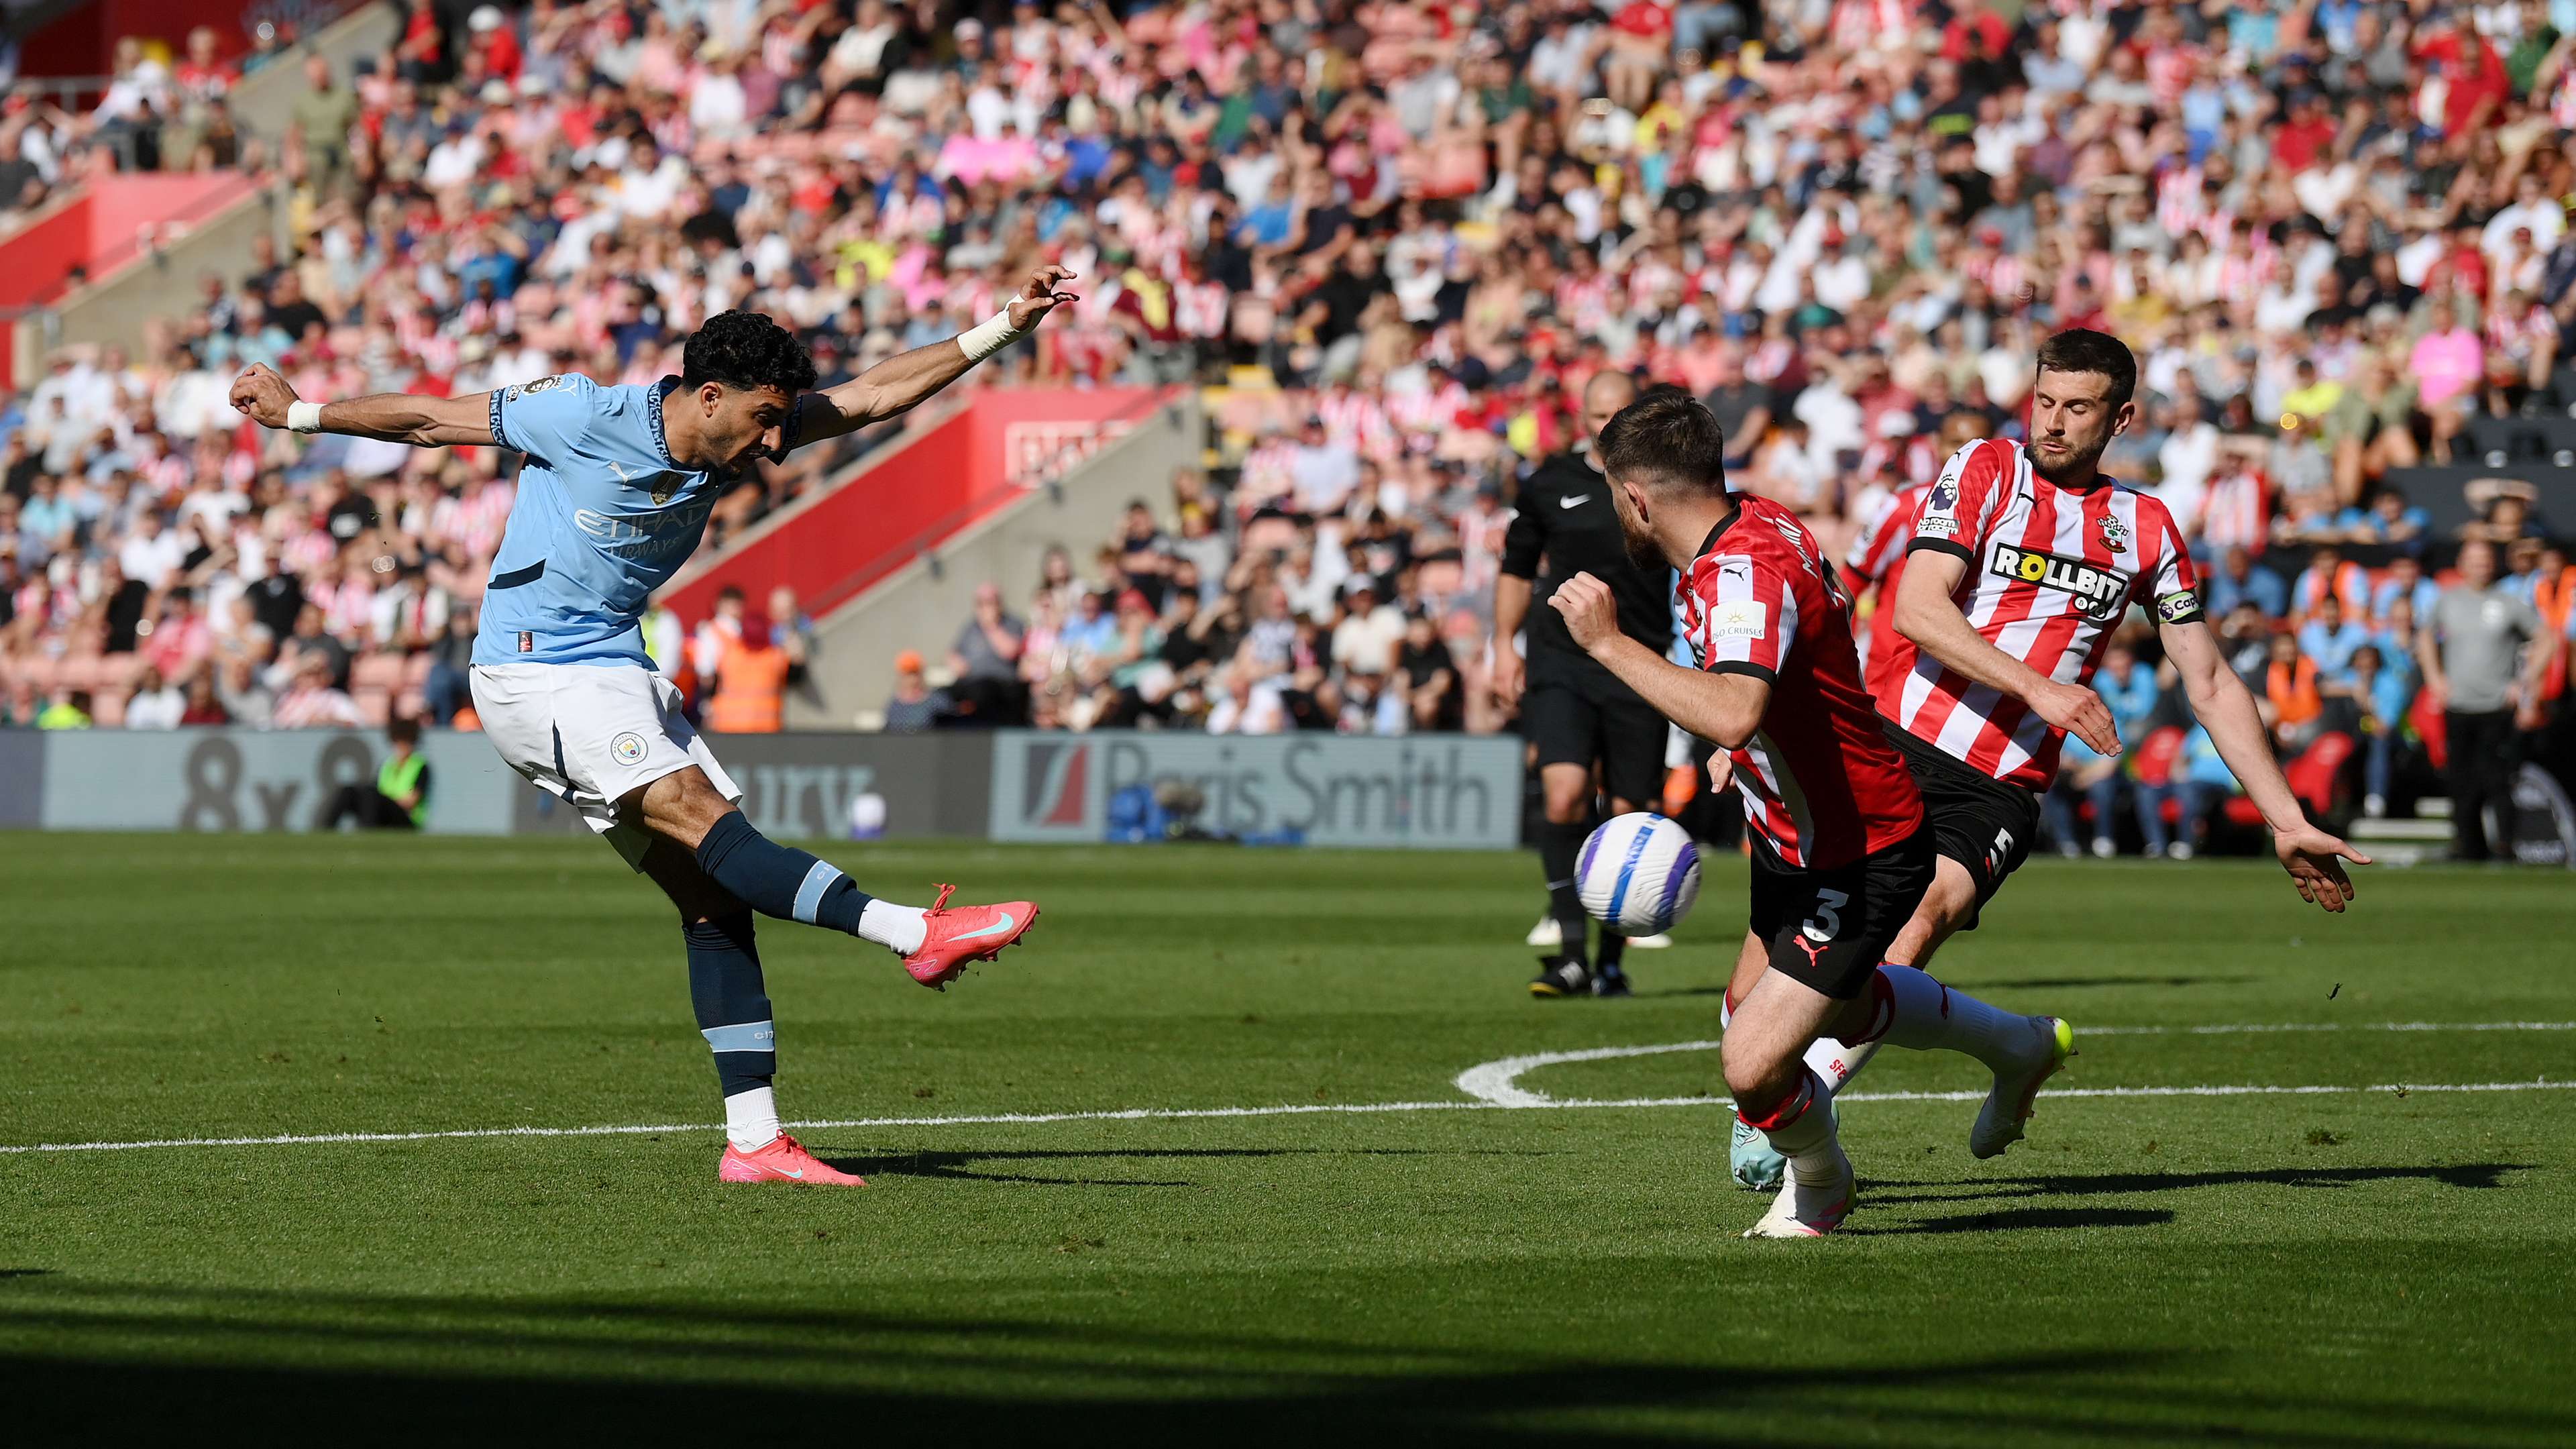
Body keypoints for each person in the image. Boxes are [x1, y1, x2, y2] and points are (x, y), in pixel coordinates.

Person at [228, 273, 1076, 1188]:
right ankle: (915, 933)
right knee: (703, 818)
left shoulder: (742, 434)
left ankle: (755, 1142)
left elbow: (873, 395)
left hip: (612, 671)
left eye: (782, 421)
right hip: (537, 671)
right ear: (708, 396)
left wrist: (1002, 325)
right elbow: (432, 421)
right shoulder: (580, 414)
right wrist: (301, 413)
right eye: (762, 420)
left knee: (713, 898)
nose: (777, 442)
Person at [1727, 331, 2371, 1187]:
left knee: (1909, 932)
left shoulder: (2146, 527)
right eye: (2044, 401)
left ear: (2122, 418)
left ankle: (1804, 1144)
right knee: (1764, 988)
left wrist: (2287, 819)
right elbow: (1918, 606)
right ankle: (2017, 1045)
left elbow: (2209, 678)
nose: (2053, 423)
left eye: (2077, 407)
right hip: (1891, 744)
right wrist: (2043, 688)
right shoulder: (1989, 469)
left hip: (1996, 784)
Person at [1550, 390, 2006, 1239]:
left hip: (1858, 850)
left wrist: (1610, 644)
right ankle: (2013, 1045)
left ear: (1638, 498)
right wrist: (1757, 749)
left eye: (1616, 496)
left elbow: (1732, 708)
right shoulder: (1752, 521)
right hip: (1791, 834)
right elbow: (1798, 672)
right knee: (1784, 1004)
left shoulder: (1741, 568)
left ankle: (1823, 1182)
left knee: (1752, 1064)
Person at [1491, 370, 1674, 999]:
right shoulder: (1550, 482)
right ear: (1582, 417)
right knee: (1565, 794)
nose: (1606, 423)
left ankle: (1612, 962)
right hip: (1561, 659)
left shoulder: (1666, 483)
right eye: (1597, 413)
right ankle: (1571, 954)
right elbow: (1516, 569)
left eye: (1618, 411)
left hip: (1641, 660)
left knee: (1629, 814)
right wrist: (1501, 648)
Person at [2418, 539, 2561, 860]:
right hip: (2459, 705)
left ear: (2493, 564)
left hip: (2497, 705)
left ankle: (2505, 846)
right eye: (2474, 560)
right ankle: (2468, 845)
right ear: (2461, 564)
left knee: (2496, 778)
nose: (2480, 565)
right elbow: (2425, 636)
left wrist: (2523, 681)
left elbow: (2547, 639)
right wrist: (2434, 677)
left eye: (2485, 560)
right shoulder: (2448, 601)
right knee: (2460, 779)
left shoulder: (2508, 603)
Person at [325, 716, 432, 829]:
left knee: (371, 795)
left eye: (407, 742)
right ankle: (325, 830)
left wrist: (386, 802)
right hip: (384, 812)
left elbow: (412, 801)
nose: (403, 746)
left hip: (406, 819)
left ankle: (367, 831)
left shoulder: (420, 766)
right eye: (400, 742)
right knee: (348, 791)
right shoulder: (387, 766)